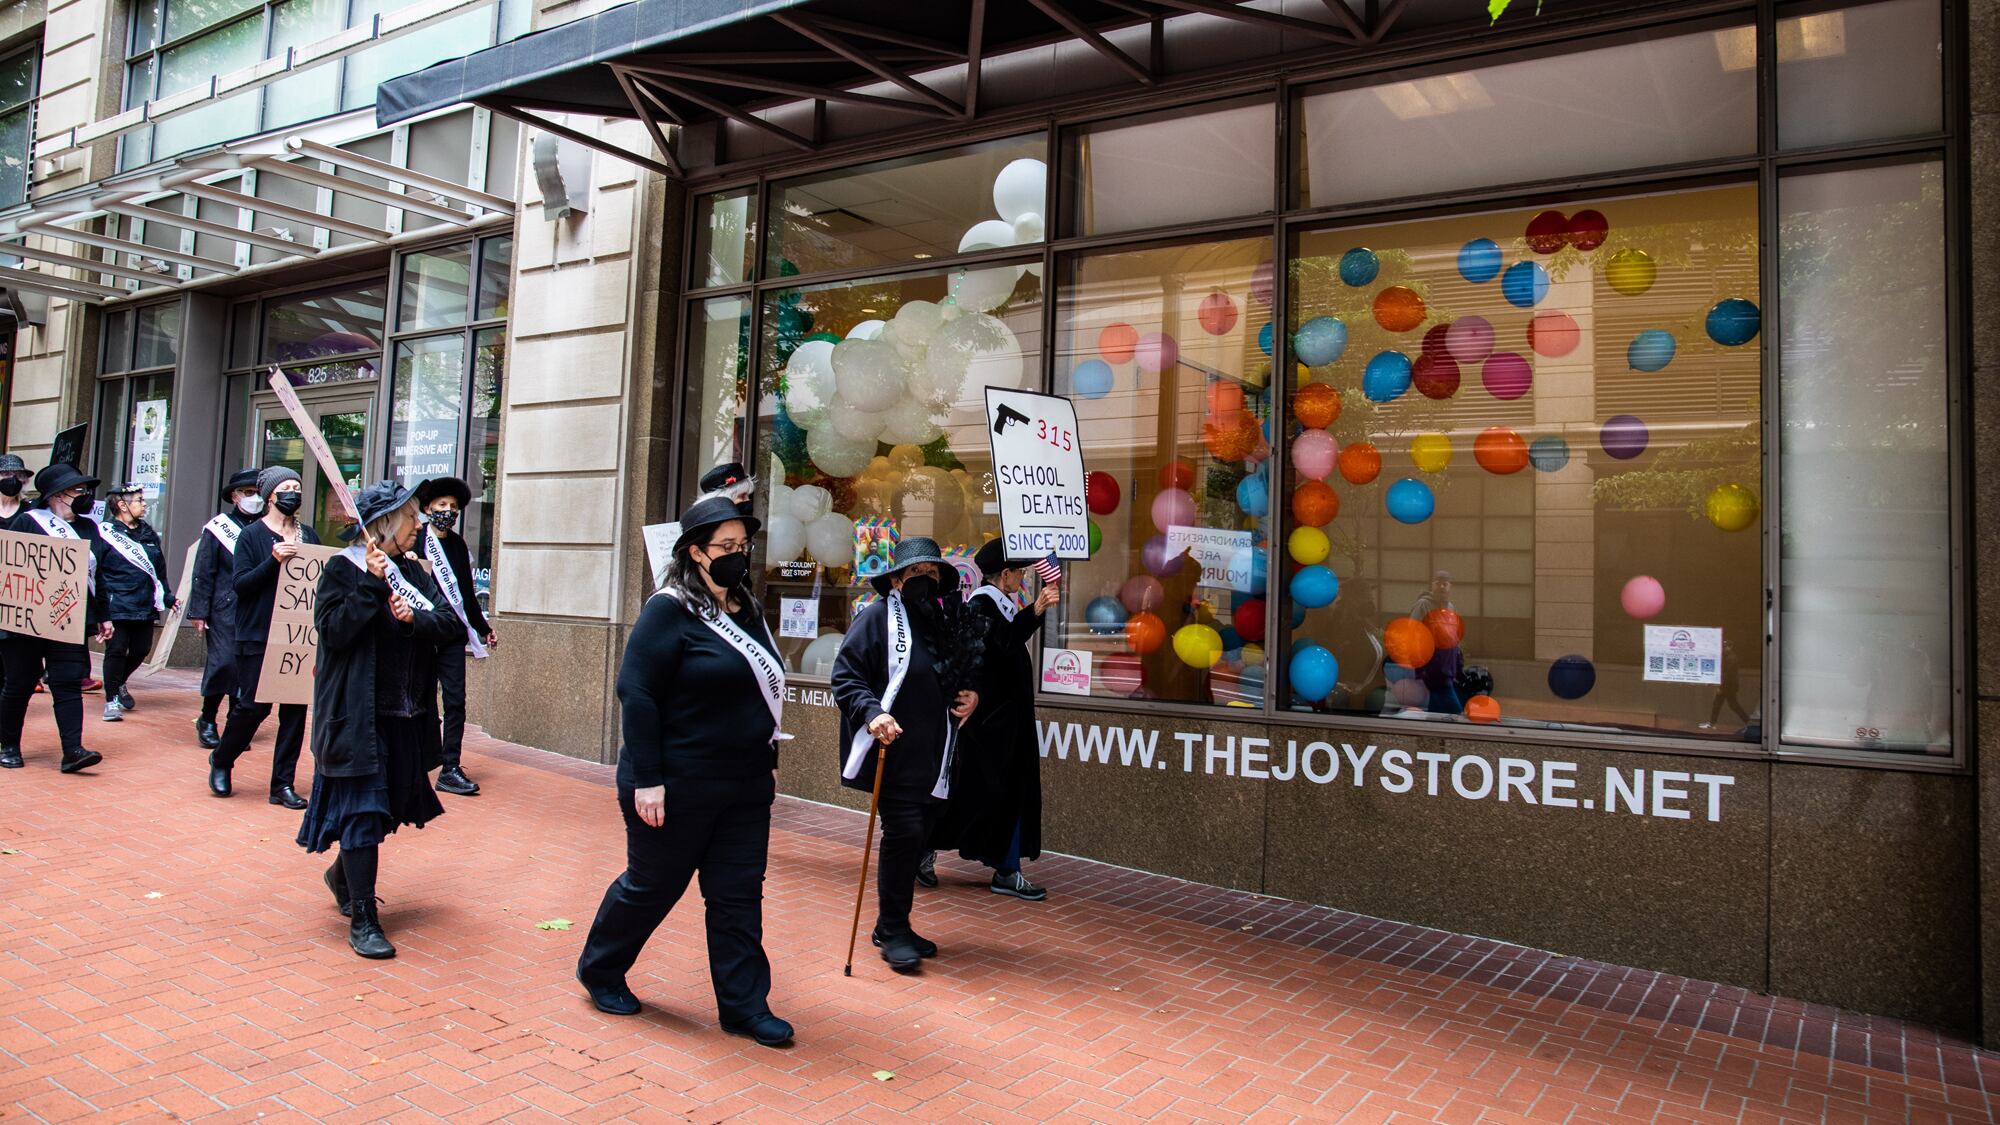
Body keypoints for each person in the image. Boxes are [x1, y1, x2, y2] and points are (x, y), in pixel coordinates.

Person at [575, 480, 794, 1047]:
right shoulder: (669, 611)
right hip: (675, 783)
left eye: (743, 546)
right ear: (696, 551)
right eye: (726, 546)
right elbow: (637, 694)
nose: (738, 555)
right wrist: (648, 781)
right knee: (653, 886)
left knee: (738, 896)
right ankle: (600, 969)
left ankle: (745, 1007)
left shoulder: (748, 609)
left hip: (744, 785)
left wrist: (766, 756)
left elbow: (759, 691)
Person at [299, 481, 461, 960]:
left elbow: (449, 623)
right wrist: (371, 585)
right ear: (384, 526)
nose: (419, 525)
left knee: (385, 811)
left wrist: (413, 620)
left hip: (405, 716)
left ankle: (342, 875)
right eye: (411, 517)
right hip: (357, 718)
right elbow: (334, 632)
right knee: (363, 813)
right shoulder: (343, 570)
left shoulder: (413, 571)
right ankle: (364, 919)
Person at [831, 536, 984, 971]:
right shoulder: (877, 618)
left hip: (935, 756)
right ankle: (894, 929)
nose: (926, 580)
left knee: (920, 835)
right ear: (897, 579)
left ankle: (892, 923)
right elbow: (846, 676)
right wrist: (872, 712)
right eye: (917, 572)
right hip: (894, 750)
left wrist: (972, 695)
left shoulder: (940, 622)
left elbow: (959, 672)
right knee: (904, 833)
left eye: (932, 573)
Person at [933, 540, 1061, 901]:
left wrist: (1033, 612)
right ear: (1005, 575)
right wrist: (1036, 610)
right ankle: (927, 852)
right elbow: (1001, 644)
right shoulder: (981, 606)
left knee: (1000, 797)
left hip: (1005, 723)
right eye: (1019, 572)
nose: (1022, 578)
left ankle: (1006, 867)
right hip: (990, 725)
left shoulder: (999, 604)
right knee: (977, 796)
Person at [207, 467, 320, 808]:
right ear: (270, 495)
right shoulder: (251, 536)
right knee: (254, 706)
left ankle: (282, 784)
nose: (293, 493)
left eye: (297, 487)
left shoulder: (308, 535)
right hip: (258, 633)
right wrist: (273, 561)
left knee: (295, 712)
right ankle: (223, 758)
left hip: (297, 636)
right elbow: (241, 585)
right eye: (286, 487)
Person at [0, 464, 110, 773]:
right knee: (19, 683)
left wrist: (104, 616)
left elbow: (98, 576)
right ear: (58, 495)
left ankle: (72, 751)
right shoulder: (28, 522)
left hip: (67, 619)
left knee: (68, 682)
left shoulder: (88, 528)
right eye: (78, 490)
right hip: (26, 623)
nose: (84, 496)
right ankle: (8, 745)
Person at [412, 476, 495, 797]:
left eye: (454, 506)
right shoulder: (416, 540)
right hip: (422, 632)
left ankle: (450, 767)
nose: (448, 510)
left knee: (455, 701)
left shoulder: (458, 546)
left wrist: (484, 629)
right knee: (419, 699)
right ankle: (416, 759)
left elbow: (467, 596)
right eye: (442, 505)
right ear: (428, 508)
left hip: (451, 635)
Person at [186, 468, 260, 748]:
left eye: (259, 493)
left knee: (246, 667)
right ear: (235, 496)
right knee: (224, 663)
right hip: (224, 608)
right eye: (249, 492)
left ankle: (235, 725)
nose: (256, 498)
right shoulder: (219, 527)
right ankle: (207, 718)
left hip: (255, 609)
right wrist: (198, 611)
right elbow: (204, 571)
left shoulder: (266, 527)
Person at [93, 483, 177, 721]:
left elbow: (159, 569)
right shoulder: (104, 532)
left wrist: (168, 596)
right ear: (122, 505)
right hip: (116, 603)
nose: (144, 505)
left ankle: (119, 681)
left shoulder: (148, 533)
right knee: (117, 650)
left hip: (144, 603)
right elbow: (95, 570)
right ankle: (111, 700)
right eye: (139, 500)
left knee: (142, 649)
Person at [0, 453, 34, 713]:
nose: (11, 479)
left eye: (17, 475)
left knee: (18, 665)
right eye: (5, 475)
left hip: (21, 596)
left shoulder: (33, 513)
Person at [1410, 570, 1464, 715]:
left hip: (1448, 667)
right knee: (1455, 712)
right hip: (1433, 668)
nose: (1441, 587)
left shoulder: (1451, 607)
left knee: (1436, 710)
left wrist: (1458, 662)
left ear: (1450, 586)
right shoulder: (1423, 605)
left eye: (1445, 584)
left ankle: (1429, 729)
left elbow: (1454, 636)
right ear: (1432, 585)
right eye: (1438, 583)